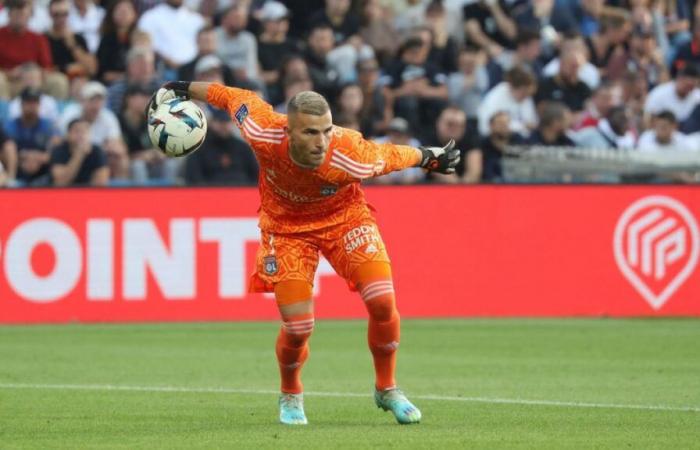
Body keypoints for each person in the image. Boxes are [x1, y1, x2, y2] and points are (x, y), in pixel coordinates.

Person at [149, 78, 460, 425]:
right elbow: (230, 95)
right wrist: (182, 87)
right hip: (285, 230)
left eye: (326, 130)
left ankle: (387, 389)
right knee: (298, 327)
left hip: (345, 220)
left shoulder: (349, 154)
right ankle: (291, 395)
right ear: (289, 130)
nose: (322, 141)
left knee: (383, 302)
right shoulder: (262, 128)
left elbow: (391, 155)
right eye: (311, 133)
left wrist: (429, 157)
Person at [50, 117, 109, 186]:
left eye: (85, 131)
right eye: (77, 131)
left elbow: (101, 182)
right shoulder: (59, 150)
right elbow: (60, 182)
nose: (81, 135)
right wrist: (79, 155)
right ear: (68, 134)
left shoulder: (97, 151)